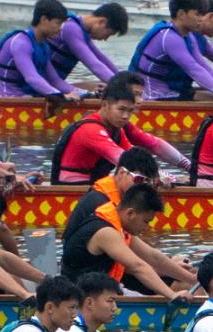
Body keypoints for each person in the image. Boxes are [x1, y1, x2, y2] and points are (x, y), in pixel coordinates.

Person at [59, 147, 194, 292]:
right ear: (122, 173)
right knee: (180, 283)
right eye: (139, 180)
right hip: (85, 284)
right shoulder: (101, 207)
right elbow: (137, 265)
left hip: (108, 267)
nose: (143, 187)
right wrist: (172, 279)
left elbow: (150, 255)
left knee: (183, 273)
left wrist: (191, 277)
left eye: (149, 183)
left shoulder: (118, 203)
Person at [52, 73, 187, 184]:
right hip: (74, 189)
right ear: (105, 104)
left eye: (129, 111)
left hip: (93, 184)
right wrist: (170, 178)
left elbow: (136, 154)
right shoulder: (91, 129)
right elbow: (125, 160)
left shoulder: (116, 127)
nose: (125, 116)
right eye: (121, 109)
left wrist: (184, 171)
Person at [61, 179, 171, 295]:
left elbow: (153, 257)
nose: (147, 227)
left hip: (101, 291)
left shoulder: (118, 223)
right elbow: (138, 267)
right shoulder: (106, 232)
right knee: (173, 286)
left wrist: (191, 278)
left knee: (177, 271)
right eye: (146, 221)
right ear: (130, 213)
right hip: (81, 298)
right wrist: (172, 295)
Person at [128, 0, 213, 101]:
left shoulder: (189, 37)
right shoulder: (169, 38)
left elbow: (204, 67)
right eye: (197, 14)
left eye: (202, 14)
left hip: (170, 93)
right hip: (150, 96)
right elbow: (193, 69)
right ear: (181, 14)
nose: (201, 19)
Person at [0, 0, 84, 100]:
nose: (60, 28)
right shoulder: (21, 43)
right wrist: (61, 96)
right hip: (7, 97)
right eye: (58, 23)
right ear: (44, 20)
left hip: (26, 97)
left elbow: (55, 81)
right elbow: (32, 78)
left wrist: (86, 93)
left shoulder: (43, 45)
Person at [52, 2, 129, 87]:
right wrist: (122, 88)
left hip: (53, 83)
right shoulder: (71, 28)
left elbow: (101, 58)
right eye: (108, 34)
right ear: (102, 22)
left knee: (96, 86)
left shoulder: (81, 29)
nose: (105, 39)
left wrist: (126, 81)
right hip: (44, 85)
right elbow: (94, 65)